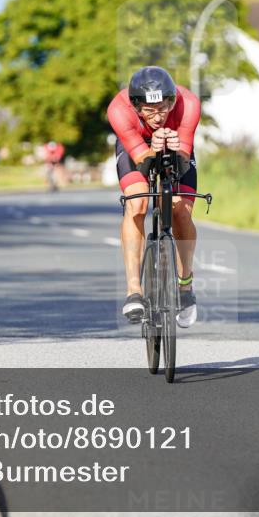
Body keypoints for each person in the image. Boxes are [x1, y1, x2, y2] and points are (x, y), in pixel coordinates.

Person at [107, 66, 201, 329]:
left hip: (176, 145)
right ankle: (134, 290)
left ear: (172, 100)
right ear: (135, 106)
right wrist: (150, 149)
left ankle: (185, 284)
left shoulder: (188, 104)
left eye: (163, 107)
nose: (158, 116)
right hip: (134, 145)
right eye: (149, 110)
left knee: (180, 209)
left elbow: (182, 160)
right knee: (137, 204)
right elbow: (142, 161)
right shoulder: (118, 110)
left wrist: (173, 147)